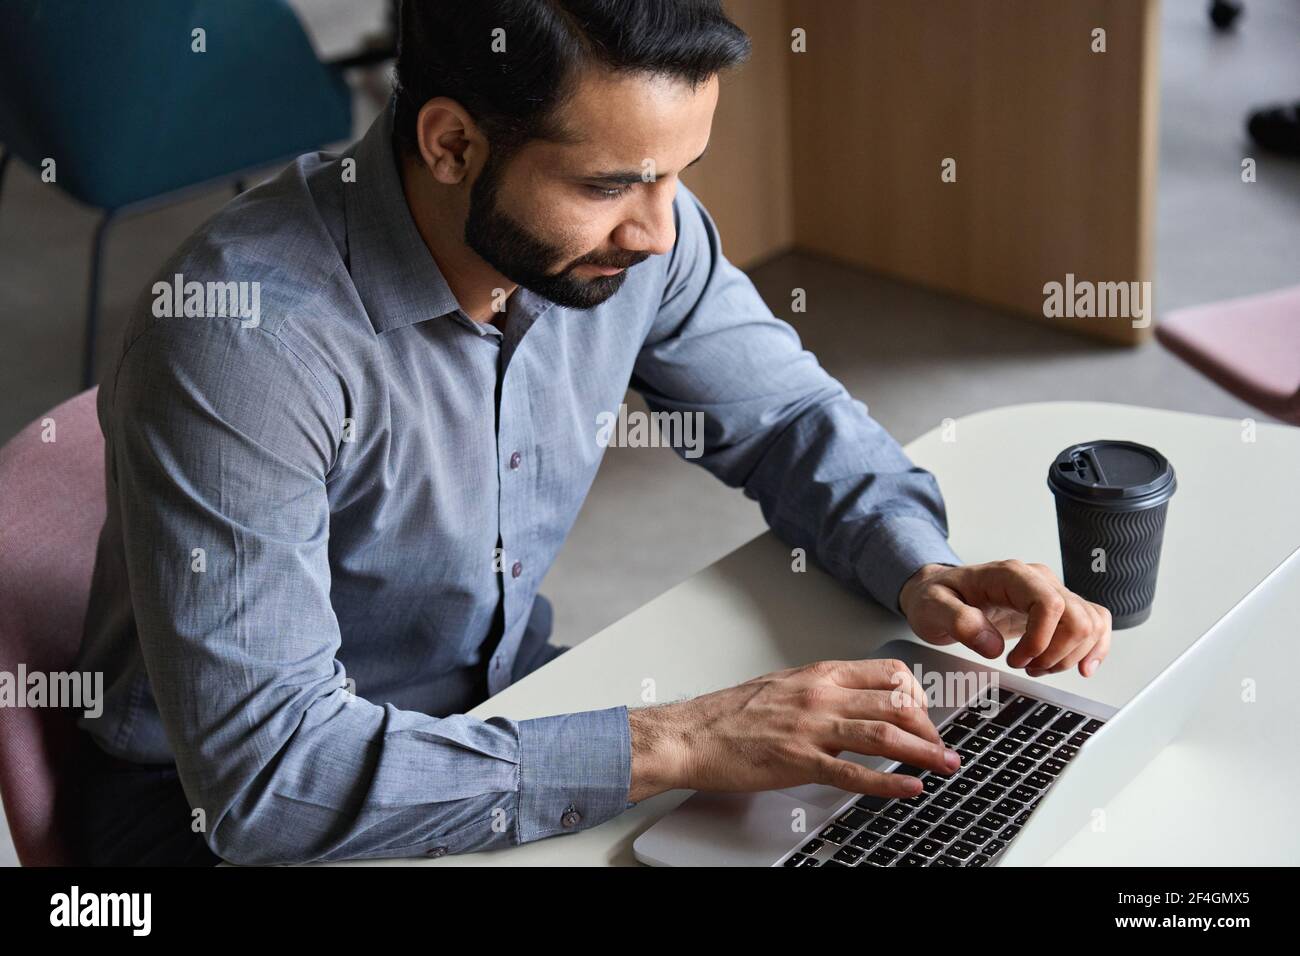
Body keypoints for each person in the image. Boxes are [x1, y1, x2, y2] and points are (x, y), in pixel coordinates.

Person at [72, 0, 1111, 866]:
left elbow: (786, 418)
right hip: (216, 809)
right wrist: (674, 740)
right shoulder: (244, 341)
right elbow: (270, 776)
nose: (658, 230)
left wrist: (920, 565)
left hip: (505, 701)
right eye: (610, 184)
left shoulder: (642, 238)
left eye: (676, 172)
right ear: (450, 143)